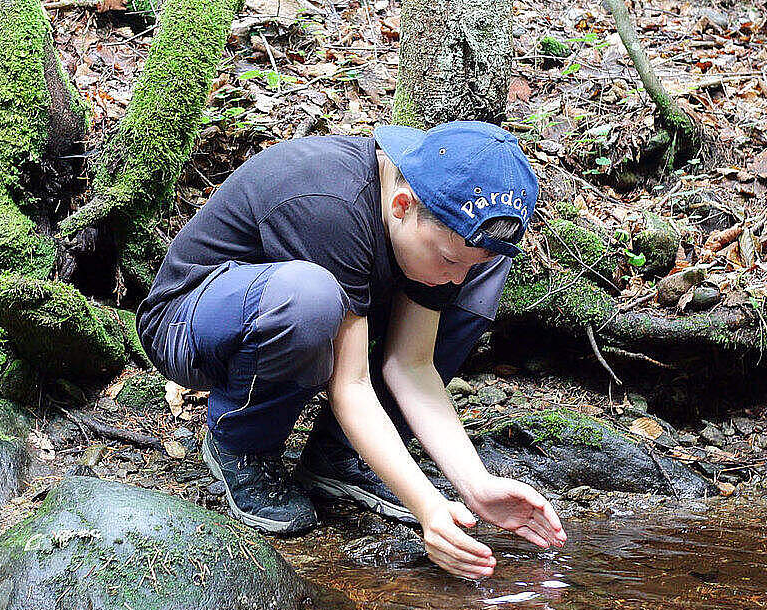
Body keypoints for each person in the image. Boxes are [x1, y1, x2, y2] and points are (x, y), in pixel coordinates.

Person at [135, 120, 567, 579]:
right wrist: (428, 510)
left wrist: (475, 485)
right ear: (403, 207)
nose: (456, 280)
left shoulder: (438, 225)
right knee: (309, 297)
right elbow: (352, 385)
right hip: (193, 321)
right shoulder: (330, 207)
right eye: (447, 259)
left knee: (481, 270)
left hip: (313, 305)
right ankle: (242, 444)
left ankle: (342, 457)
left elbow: (412, 364)